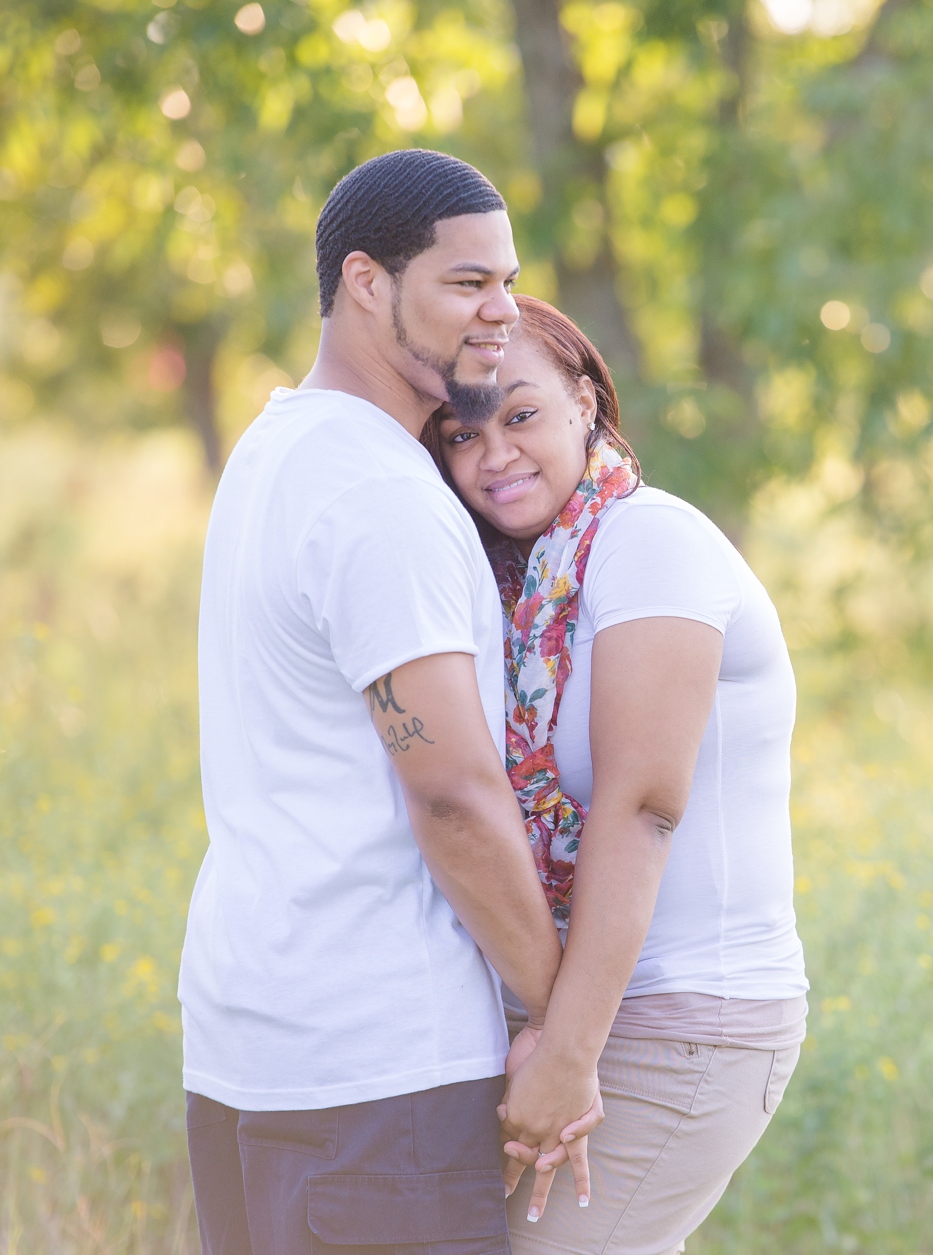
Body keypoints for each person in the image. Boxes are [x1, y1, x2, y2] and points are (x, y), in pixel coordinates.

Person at [178, 152, 597, 1255]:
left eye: (506, 282)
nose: (501, 312)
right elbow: (452, 793)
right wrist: (561, 1022)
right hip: (378, 1071)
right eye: (466, 284)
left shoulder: (273, 450)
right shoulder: (375, 495)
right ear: (365, 282)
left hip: (251, 1045)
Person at [426, 296, 809, 1255]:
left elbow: (643, 809)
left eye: (519, 415)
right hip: (585, 1005)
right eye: (461, 434)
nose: (494, 455)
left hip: (684, 1020)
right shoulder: (521, 587)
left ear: (586, 403)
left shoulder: (651, 543)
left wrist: (567, 1049)